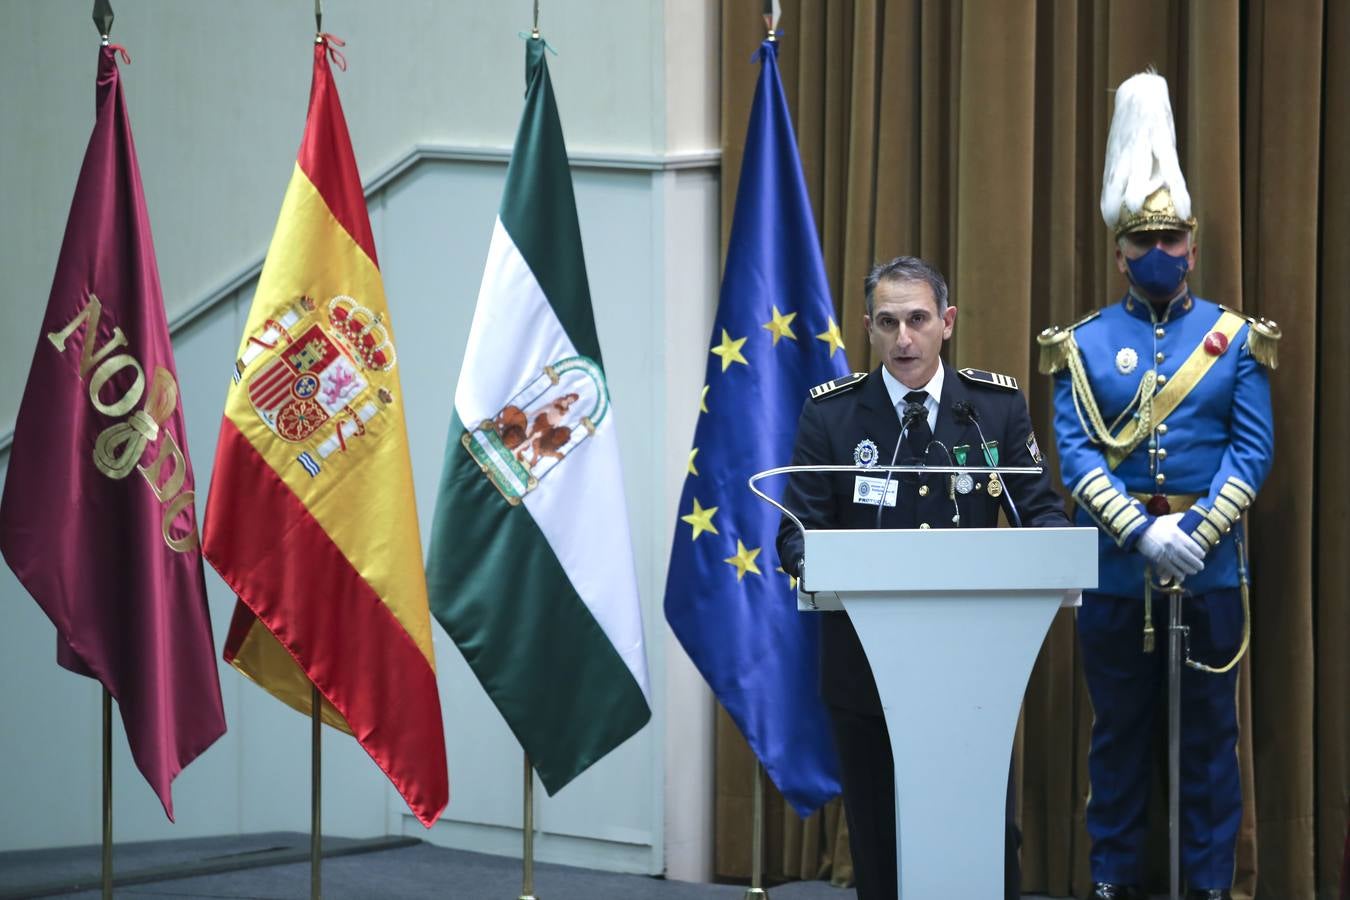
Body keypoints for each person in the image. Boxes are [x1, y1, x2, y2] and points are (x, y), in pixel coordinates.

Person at [1039, 71, 1278, 900]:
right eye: (1142, 242)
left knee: (1210, 742)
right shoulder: (1083, 345)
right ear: (1118, 252)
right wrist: (1142, 534)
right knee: (1117, 741)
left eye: (1171, 239)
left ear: (1194, 244)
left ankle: (1208, 887)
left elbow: (1250, 453)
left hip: (1211, 576)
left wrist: (1197, 535)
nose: (1158, 255)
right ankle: (1111, 883)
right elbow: (1075, 457)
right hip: (1114, 575)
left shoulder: (1236, 340)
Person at [776, 255, 1069, 900]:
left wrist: (1050, 546)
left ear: (947, 323)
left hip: (973, 669)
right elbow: (796, 528)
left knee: (987, 834)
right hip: (864, 665)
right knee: (878, 839)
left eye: (917, 319)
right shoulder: (833, 415)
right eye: (888, 322)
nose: (903, 338)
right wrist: (810, 561)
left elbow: (1041, 510)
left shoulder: (992, 410)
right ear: (868, 329)